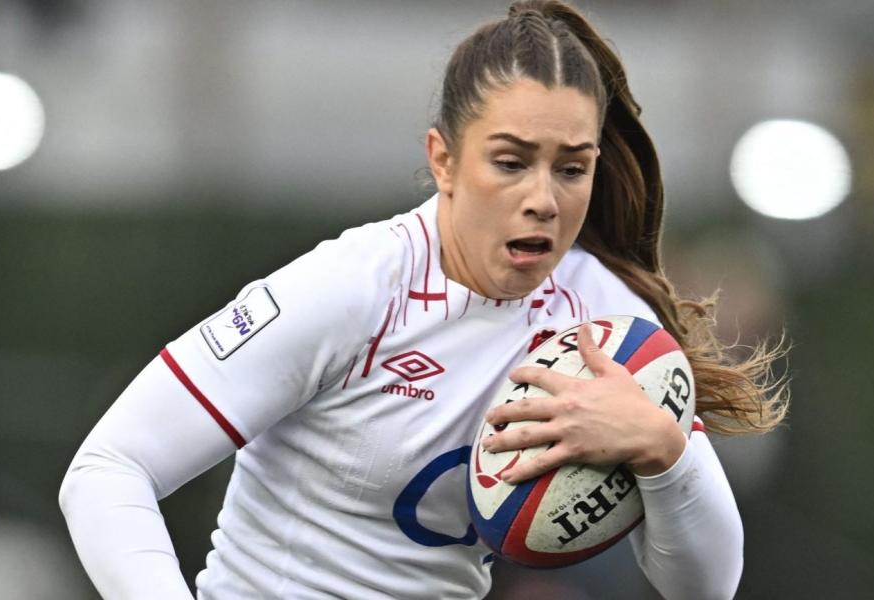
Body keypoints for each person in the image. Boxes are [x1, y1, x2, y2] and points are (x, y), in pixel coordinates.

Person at [59, 1, 788, 598]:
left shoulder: (608, 326)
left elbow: (706, 588)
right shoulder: (353, 288)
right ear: (443, 159)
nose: (543, 199)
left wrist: (665, 454)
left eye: (572, 168)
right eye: (510, 162)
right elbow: (109, 469)